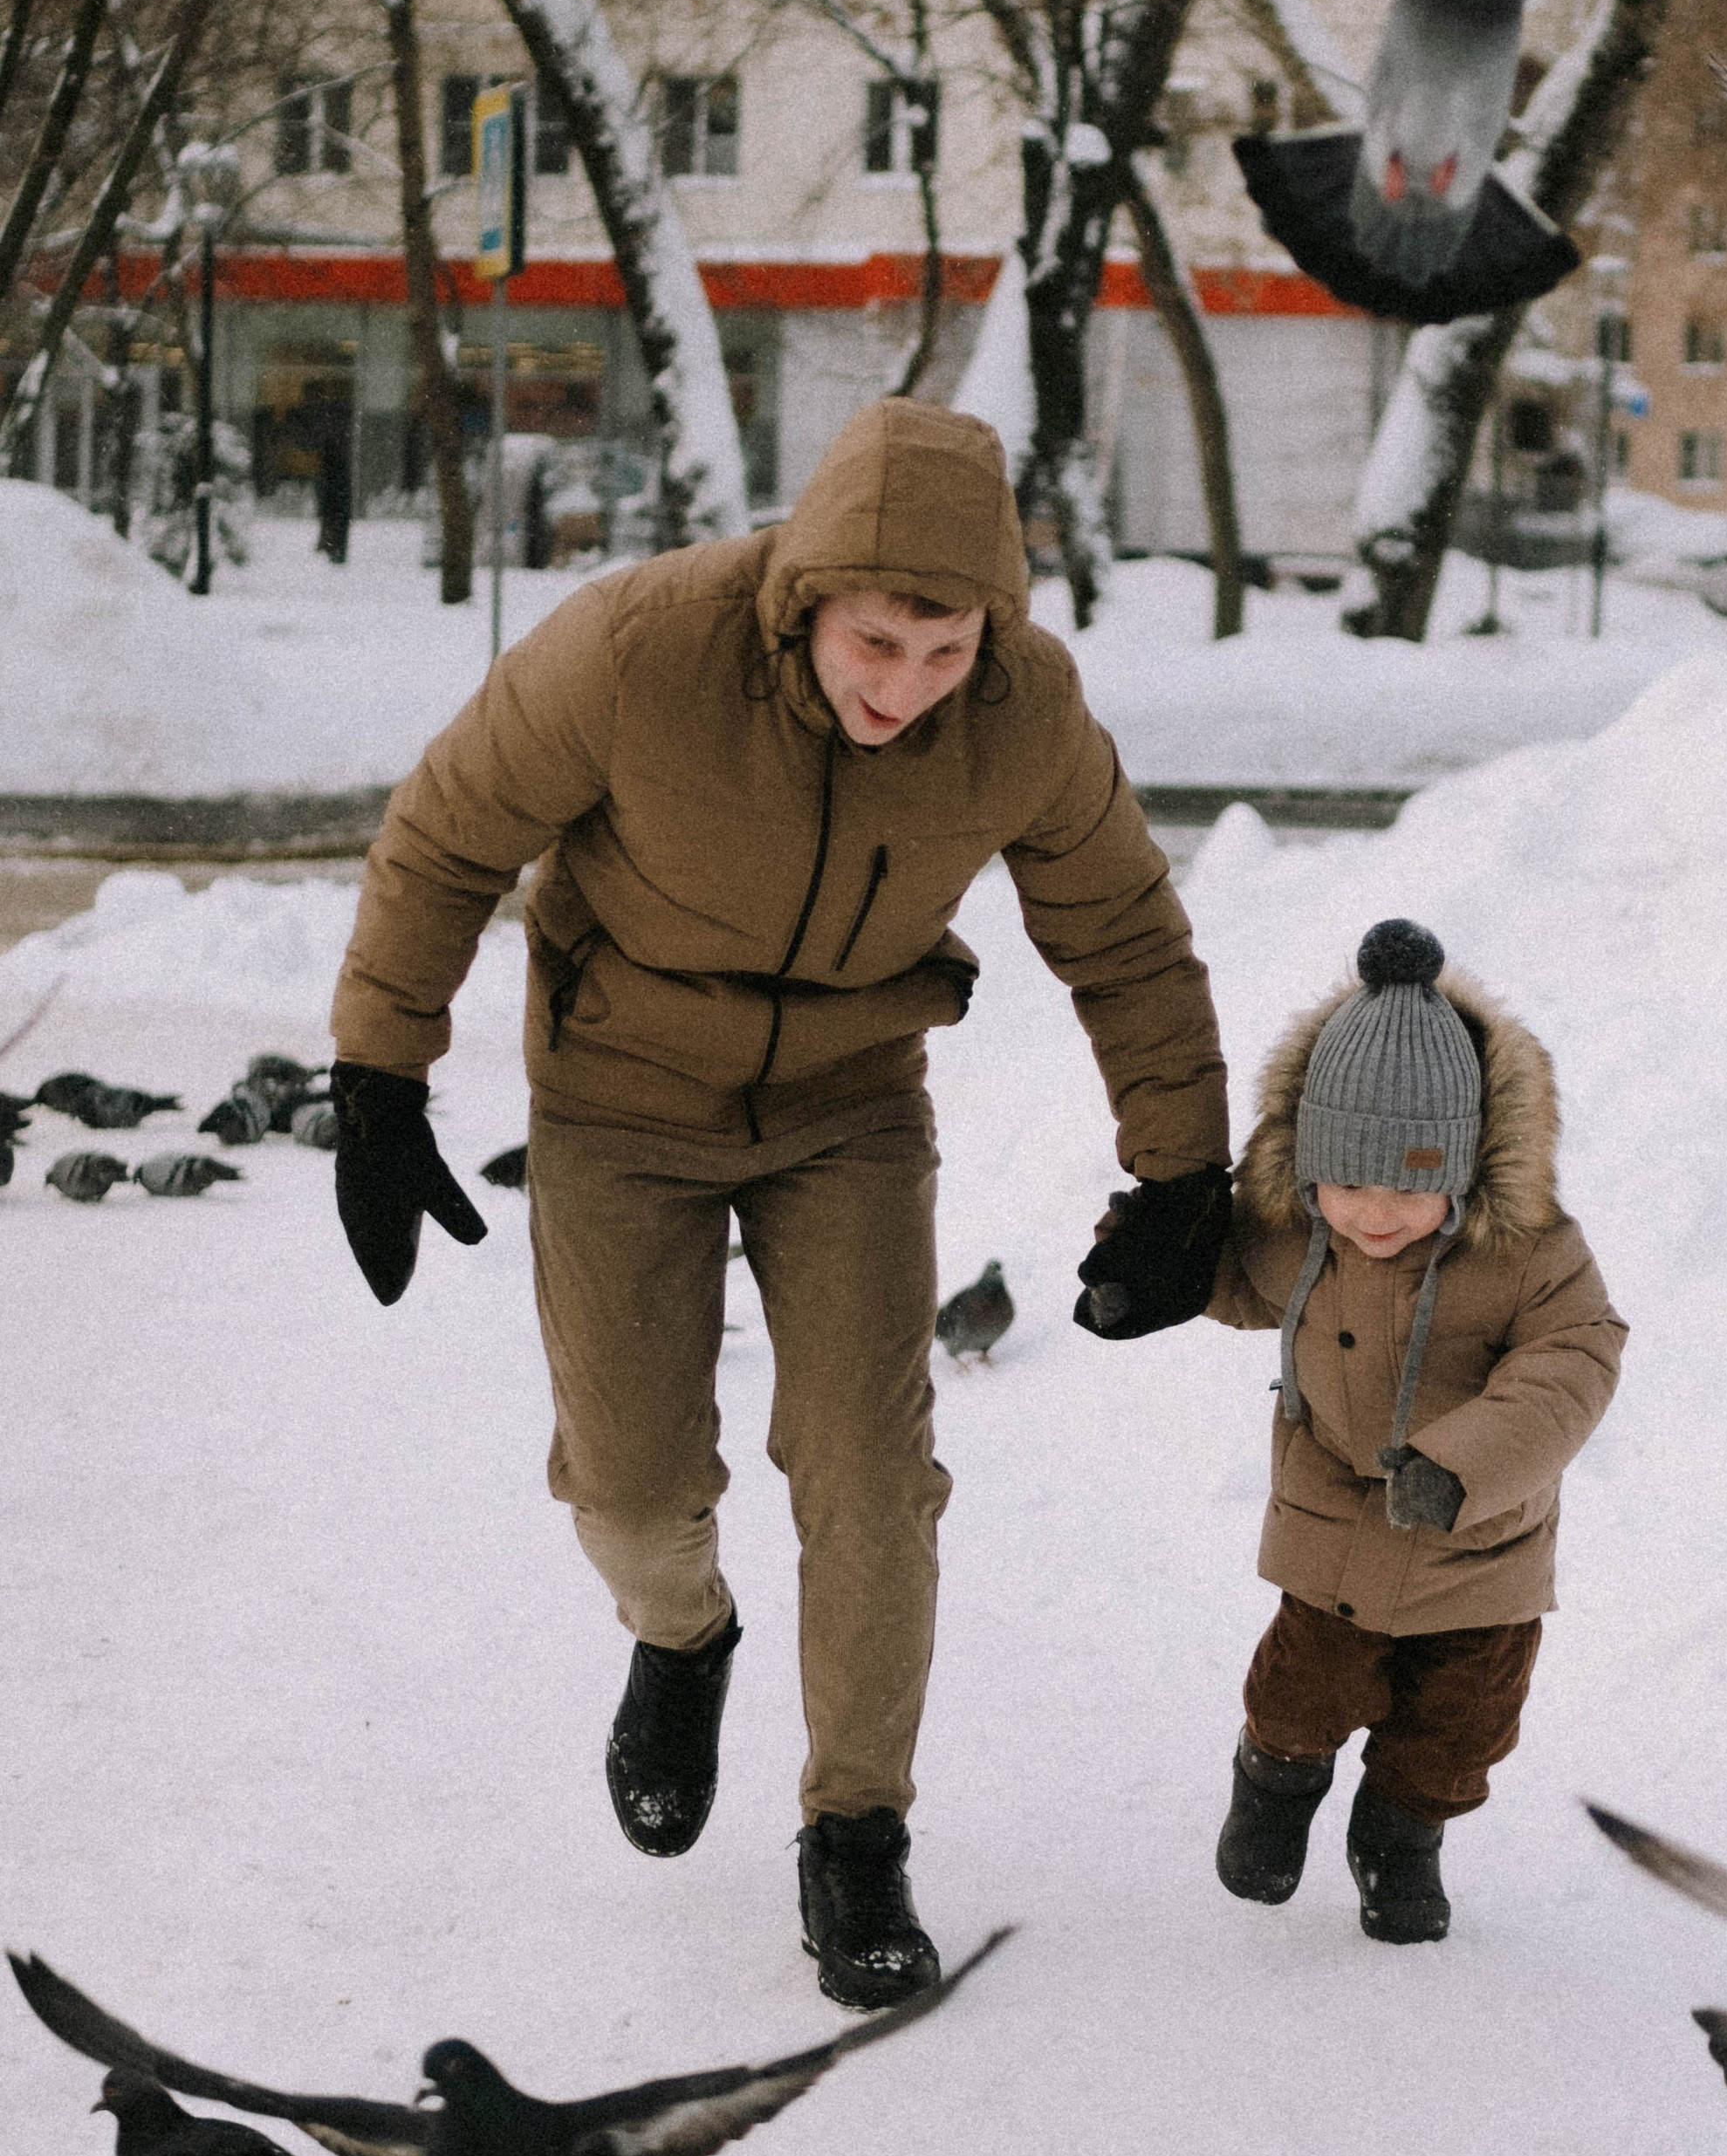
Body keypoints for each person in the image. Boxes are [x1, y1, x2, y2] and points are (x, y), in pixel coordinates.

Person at [325, 399, 1231, 2006]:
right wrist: (380, 1080)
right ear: (805, 595)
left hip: (848, 1108)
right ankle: (682, 1638)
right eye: (877, 642)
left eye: (945, 651)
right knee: (629, 1484)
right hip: (620, 1092)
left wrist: (1182, 1171)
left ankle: (856, 1832)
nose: (906, 687)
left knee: (873, 1477)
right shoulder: (638, 648)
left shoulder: (1022, 710)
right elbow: (447, 835)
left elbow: (1123, 933)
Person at [1204, 920, 1624, 1946]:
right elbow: (1234, 1280)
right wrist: (1146, 1271)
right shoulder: (1301, 1233)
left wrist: (1461, 1465)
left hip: (1478, 1540)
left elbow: (1573, 1359)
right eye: (1347, 1183)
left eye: (1409, 1185)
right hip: (1337, 1521)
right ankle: (1275, 1779)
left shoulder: (1531, 1254)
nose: (1375, 1214)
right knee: (1305, 1689)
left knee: (1459, 1726)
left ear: (1467, 1168)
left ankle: (1399, 1839)